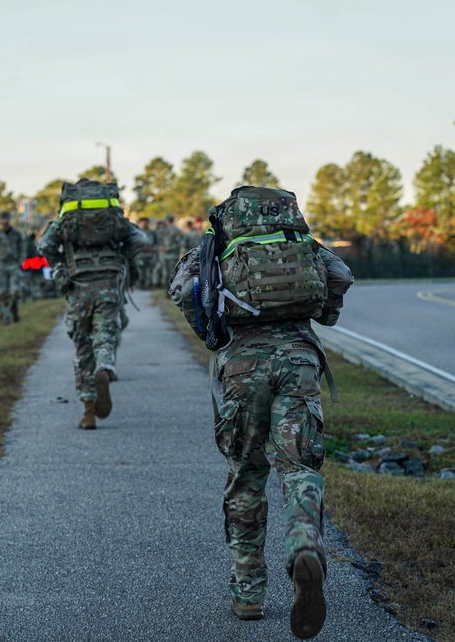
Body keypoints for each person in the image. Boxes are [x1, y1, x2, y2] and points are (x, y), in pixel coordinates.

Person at [169, 185, 353, 638]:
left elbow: (180, 289)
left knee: (246, 475)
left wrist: (212, 332)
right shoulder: (301, 242)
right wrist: (323, 312)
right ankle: (304, 539)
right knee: (298, 467)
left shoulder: (220, 245)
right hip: (299, 361)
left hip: (242, 368)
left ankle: (249, 591)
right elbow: (341, 275)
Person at [37, 178, 145, 430]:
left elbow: (44, 245)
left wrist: (60, 271)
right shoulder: (112, 218)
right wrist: (122, 259)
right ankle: (105, 367)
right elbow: (140, 239)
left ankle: (88, 413)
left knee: (82, 346)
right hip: (108, 283)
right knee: (106, 333)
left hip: (78, 287)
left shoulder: (65, 219)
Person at [0, 211, 26, 323]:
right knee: (2, 292)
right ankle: (4, 313)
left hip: (13, 264)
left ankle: (14, 309)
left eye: (6, 218)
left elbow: (22, 248)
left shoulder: (16, 234)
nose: (5, 221)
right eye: (2, 219)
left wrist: (21, 261)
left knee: (15, 291)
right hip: (1, 265)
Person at [154, 214, 183, 287]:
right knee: (165, 274)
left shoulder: (176, 230)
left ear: (167, 220)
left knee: (171, 274)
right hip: (166, 255)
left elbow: (179, 243)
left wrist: (168, 248)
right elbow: (159, 240)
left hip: (172, 256)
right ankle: (166, 290)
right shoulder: (164, 230)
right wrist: (161, 247)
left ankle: (171, 290)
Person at [134, 218, 157, 288]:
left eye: (146, 222)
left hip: (150, 255)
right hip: (140, 254)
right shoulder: (137, 232)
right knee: (140, 270)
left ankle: (148, 284)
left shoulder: (152, 233)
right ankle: (140, 284)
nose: (144, 224)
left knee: (149, 270)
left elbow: (156, 243)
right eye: (142, 223)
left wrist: (153, 249)